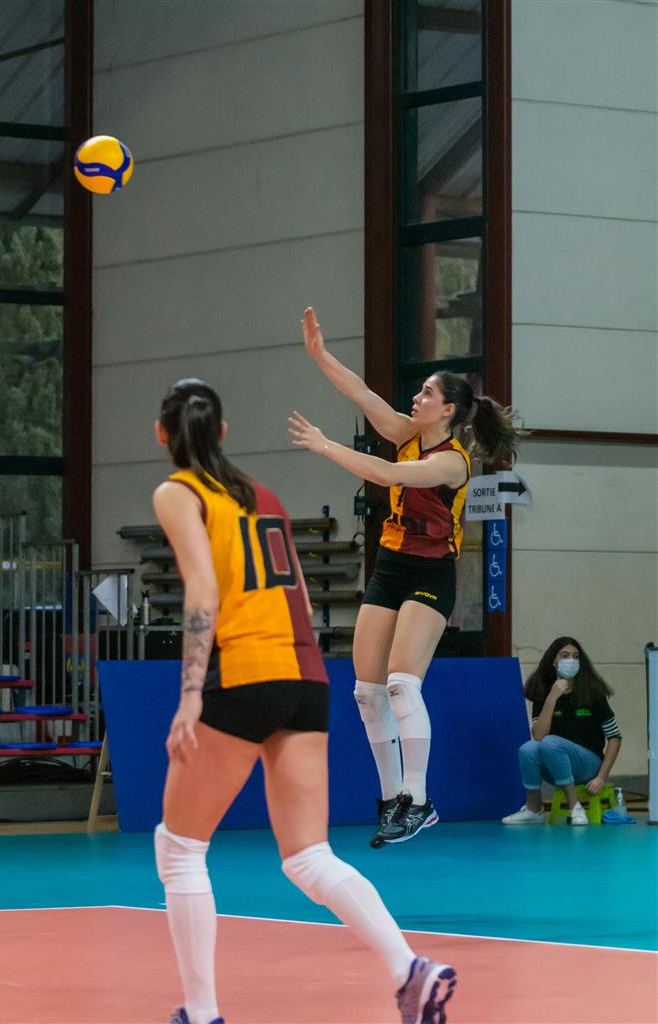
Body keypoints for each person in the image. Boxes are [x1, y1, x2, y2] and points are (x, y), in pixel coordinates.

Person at [152, 378, 458, 1024]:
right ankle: (409, 969)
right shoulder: (261, 495)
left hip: (244, 673)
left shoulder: (179, 492)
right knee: (308, 856)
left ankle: (202, 1013)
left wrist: (189, 692)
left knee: (179, 848)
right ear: (223, 432)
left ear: (162, 435)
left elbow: (202, 589)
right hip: (305, 678)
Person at [290, 308, 524, 847]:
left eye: (426, 393)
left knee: (401, 683)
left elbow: (390, 474)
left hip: (431, 571)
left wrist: (326, 445)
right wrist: (320, 354)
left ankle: (419, 800)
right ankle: (392, 798)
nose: (416, 398)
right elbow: (362, 393)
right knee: (366, 693)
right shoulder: (406, 432)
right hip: (392, 565)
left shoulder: (453, 462)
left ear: (448, 410)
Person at [502, 636, 622, 825]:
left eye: (575, 656)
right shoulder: (543, 692)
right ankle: (534, 808)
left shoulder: (593, 694)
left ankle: (575, 807)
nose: (571, 660)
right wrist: (552, 697)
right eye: (565, 656)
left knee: (551, 743)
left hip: (588, 763)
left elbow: (615, 737)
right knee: (528, 749)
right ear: (554, 661)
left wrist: (601, 777)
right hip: (555, 762)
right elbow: (538, 736)